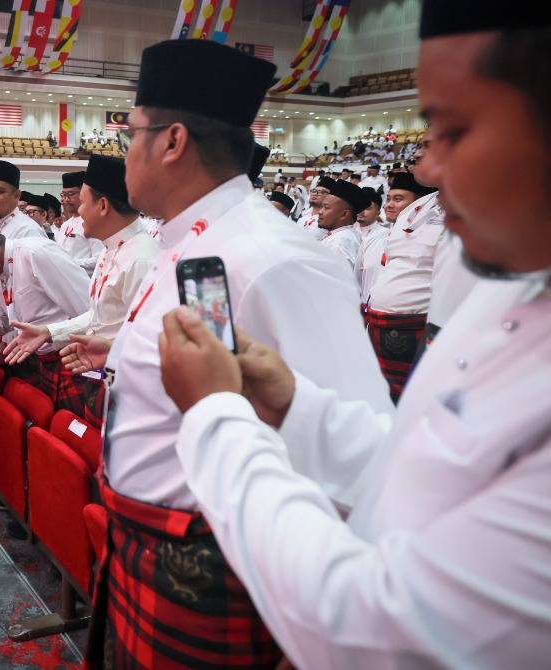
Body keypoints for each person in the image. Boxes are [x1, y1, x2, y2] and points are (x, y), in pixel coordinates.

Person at [156, 4, 551, 666]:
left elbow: (378, 632)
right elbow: (420, 465)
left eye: (452, 130)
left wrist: (217, 417)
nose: (424, 172)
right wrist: (295, 406)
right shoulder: (510, 283)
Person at [75, 39, 391, 669]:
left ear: (171, 142)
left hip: (209, 565)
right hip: (148, 544)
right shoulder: (187, 241)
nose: (124, 152)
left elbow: (368, 463)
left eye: (128, 134)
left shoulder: (273, 257)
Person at [3, 155, 159, 421]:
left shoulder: (141, 259)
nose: (76, 211)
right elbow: (100, 317)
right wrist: (49, 331)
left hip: (130, 388)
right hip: (101, 374)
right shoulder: (112, 251)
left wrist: (110, 349)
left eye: (83, 201)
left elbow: (151, 339)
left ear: (103, 206)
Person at [0, 218, 89, 398]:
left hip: (73, 356)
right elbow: (0, 321)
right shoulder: (1, 270)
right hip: (42, 358)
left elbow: (90, 311)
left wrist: (51, 332)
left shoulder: (36, 253)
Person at [365, 169, 440, 401]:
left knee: (411, 400)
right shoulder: (413, 213)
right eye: (388, 198)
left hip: (417, 323)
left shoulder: (456, 211)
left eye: (398, 199)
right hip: (377, 320)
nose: (389, 205)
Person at [55, 172, 105, 275]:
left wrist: (69, 263)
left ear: (83, 194)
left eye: (71, 194)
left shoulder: (93, 222)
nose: (66, 199)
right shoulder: (65, 225)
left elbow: (99, 259)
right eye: (64, 195)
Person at [318, 179, 369, 273]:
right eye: (322, 207)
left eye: (326, 207)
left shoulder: (339, 243)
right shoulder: (343, 236)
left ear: (344, 214)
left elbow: (336, 282)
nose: (320, 212)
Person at [355, 188, 389, 307]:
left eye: (368, 208)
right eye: (359, 206)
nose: (361, 211)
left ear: (379, 212)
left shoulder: (384, 235)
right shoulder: (349, 232)